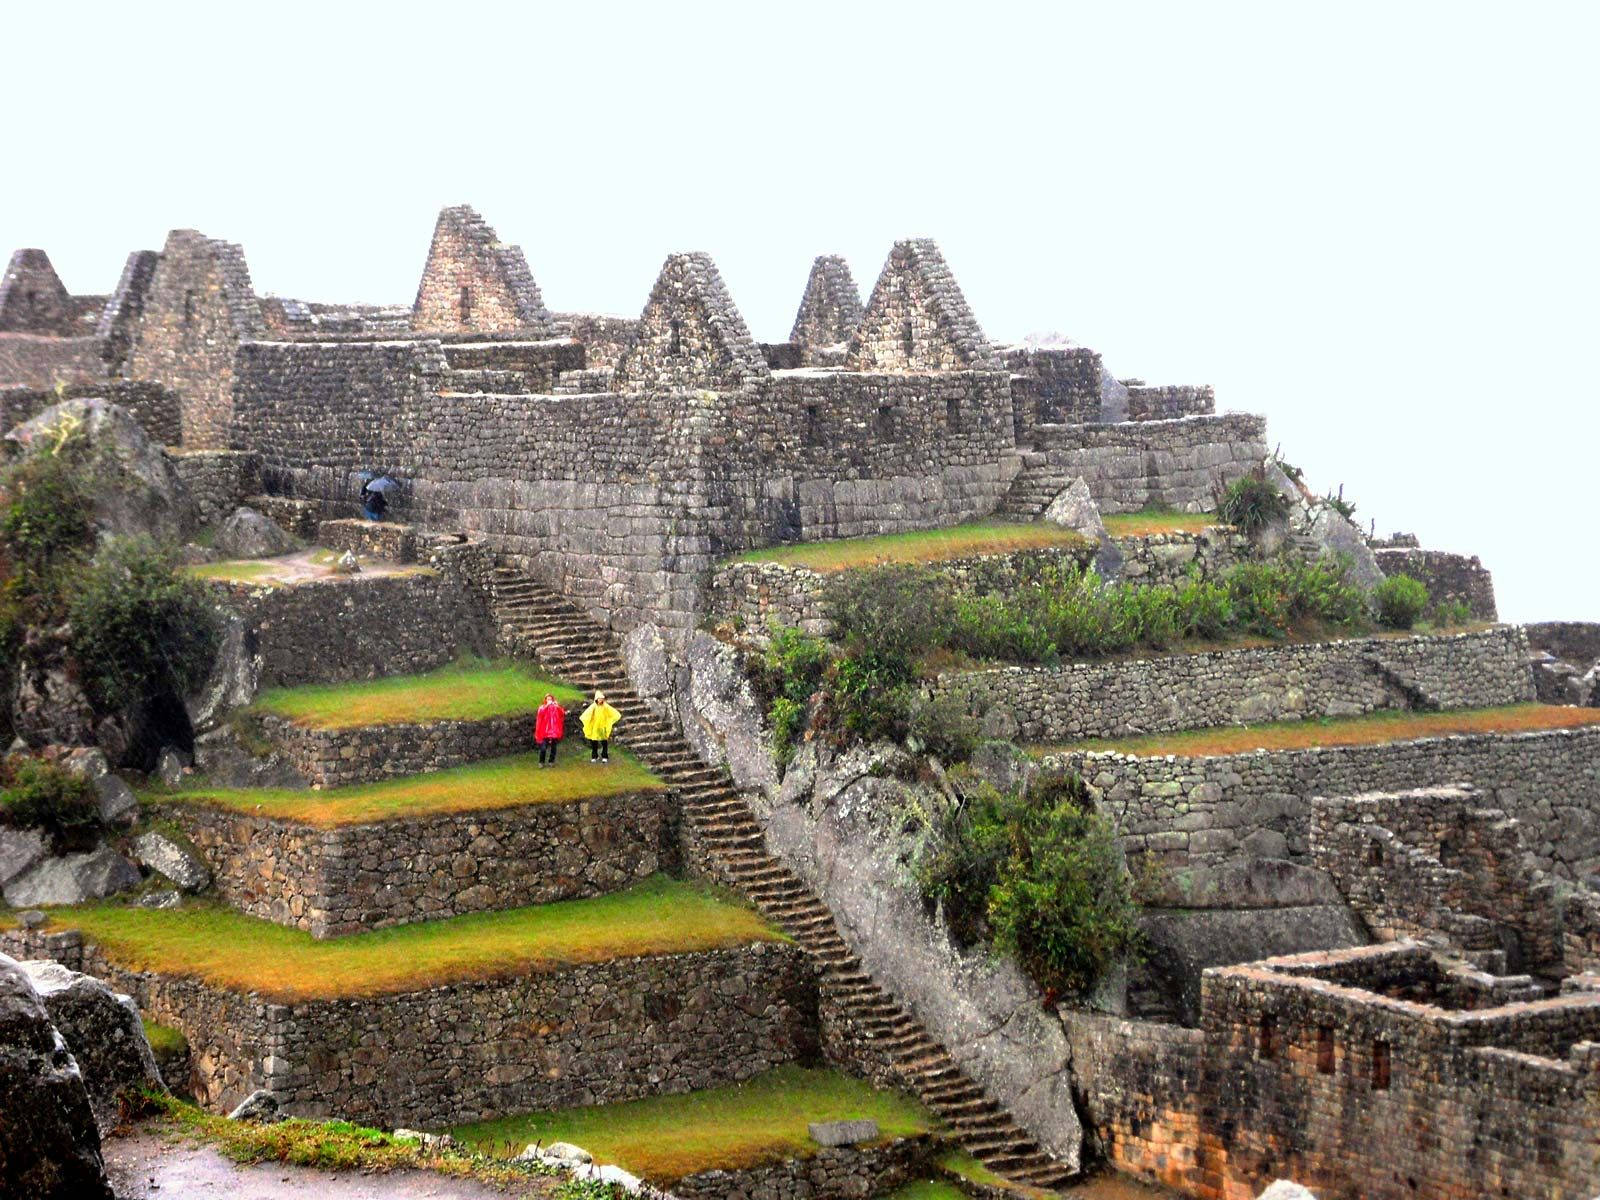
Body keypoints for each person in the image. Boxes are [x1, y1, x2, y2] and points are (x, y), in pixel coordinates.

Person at [580, 690, 621, 764]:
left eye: (602, 698)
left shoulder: (605, 706)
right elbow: (587, 714)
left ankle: (604, 756)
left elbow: (612, 712)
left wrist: (615, 717)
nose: (601, 700)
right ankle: (594, 756)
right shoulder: (593, 706)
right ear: (596, 699)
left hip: (603, 727)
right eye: (599, 698)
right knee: (594, 742)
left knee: (604, 742)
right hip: (595, 727)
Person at [534, 693, 566, 767]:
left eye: (551, 699)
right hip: (544, 732)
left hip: (553, 731)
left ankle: (551, 761)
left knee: (553, 747)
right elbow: (540, 713)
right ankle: (541, 762)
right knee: (543, 748)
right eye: (548, 699)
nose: (549, 701)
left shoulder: (555, 707)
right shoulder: (542, 707)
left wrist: (557, 706)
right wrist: (547, 706)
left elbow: (562, 713)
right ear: (545, 700)